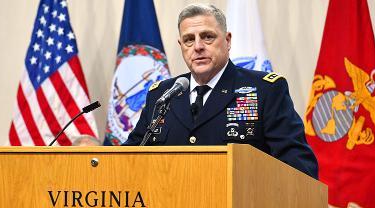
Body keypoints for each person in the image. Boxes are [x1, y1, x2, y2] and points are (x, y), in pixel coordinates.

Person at [124, 3, 318, 179]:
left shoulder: (264, 90)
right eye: (189, 40)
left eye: (207, 37)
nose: (198, 47)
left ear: (227, 40)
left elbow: (299, 168)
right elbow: (128, 159)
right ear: (181, 46)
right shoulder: (163, 94)